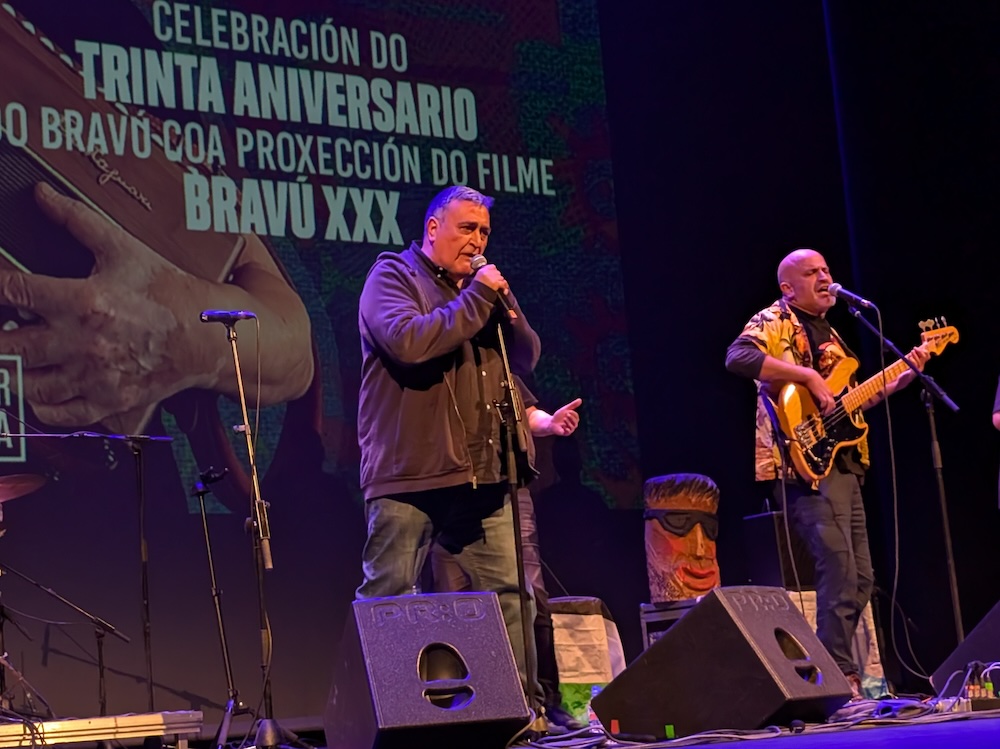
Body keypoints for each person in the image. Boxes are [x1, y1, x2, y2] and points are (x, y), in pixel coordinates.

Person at [355, 185, 542, 705]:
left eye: (483, 231)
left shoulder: (481, 293)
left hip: (480, 475)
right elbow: (409, 342)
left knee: (510, 596)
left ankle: (521, 711)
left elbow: (527, 355)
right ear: (434, 228)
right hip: (410, 472)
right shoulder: (392, 275)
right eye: (467, 228)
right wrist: (480, 296)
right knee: (389, 596)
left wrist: (502, 300)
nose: (477, 240)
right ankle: (391, 714)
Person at [725, 248, 930, 697]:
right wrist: (808, 376)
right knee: (837, 566)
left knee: (862, 578)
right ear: (788, 287)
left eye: (826, 270)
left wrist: (907, 370)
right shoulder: (773, 320)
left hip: (844, 466)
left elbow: (853, 401)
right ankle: (838, 680)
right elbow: (737, 357)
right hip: (801, 465)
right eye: (811, 272)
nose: (824, 277)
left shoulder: (833, 334)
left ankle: (830, 672)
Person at [430, 381, 584, 731]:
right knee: (453, 603)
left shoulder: (493, 354)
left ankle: (542, 702)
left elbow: (525, 410)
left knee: (531, 596)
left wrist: (549, 423)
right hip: (448, 491)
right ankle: (464, 706)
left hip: (501, 489)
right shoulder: (436, 346)